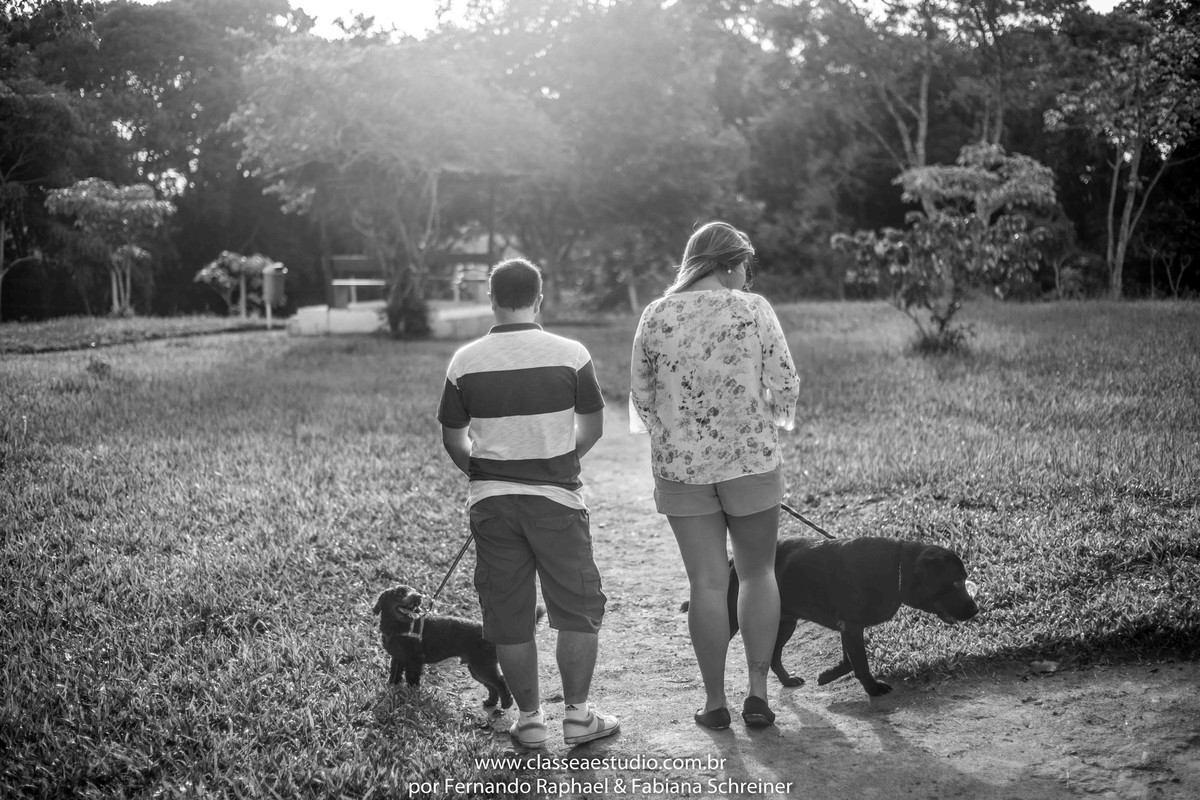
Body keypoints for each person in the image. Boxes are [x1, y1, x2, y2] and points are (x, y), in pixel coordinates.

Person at [438, 257, 619, 749]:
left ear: (491, 299)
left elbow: (455, 440)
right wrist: (558, 461)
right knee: (576, 609)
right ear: (540, 298)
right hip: (558, 501)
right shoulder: (571, 354)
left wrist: (487, 472)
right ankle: (579, 718)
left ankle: (531, 720)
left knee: (509, 614)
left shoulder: (464, 361)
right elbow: (594, 427)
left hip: (493, 505)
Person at [629, 221, 800, 729]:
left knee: (705, 583)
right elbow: (784, 381)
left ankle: (714, 703)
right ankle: (758, 693)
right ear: (729, 263)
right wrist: (771, 414)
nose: (747, 275)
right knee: (757, 573)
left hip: (681, 468)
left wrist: (674, 430)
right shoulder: (753, 310)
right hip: (750, 459)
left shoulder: (655, 315)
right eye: (744, 264)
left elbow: (641, 396)